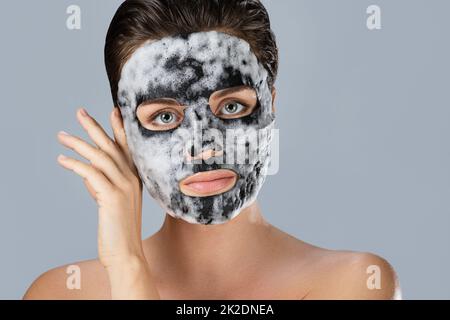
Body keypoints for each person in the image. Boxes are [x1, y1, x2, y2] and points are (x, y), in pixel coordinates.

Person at [23, 0, 401, 300]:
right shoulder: (60, 294)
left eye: (232, 107)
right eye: (165, 117)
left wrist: (129, 269)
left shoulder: (355, 284)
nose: (204, 150)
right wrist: (125, 264)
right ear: (124, 129)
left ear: (270, 103)